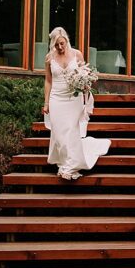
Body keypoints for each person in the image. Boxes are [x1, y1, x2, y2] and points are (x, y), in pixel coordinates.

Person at [42, 27, 110, 180]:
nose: (60, 47)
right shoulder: (49, 58)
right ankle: (65, 162)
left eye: (62, 44)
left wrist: (86, 84)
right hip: (56, 98)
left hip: (74, 99)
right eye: (57, 45)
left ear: (66, 40)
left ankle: (70, 166)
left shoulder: (77, 54)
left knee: (71, 131)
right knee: (59, 133)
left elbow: (85, 74)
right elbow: (48, 80)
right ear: (52, 44)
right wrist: (46, 103)